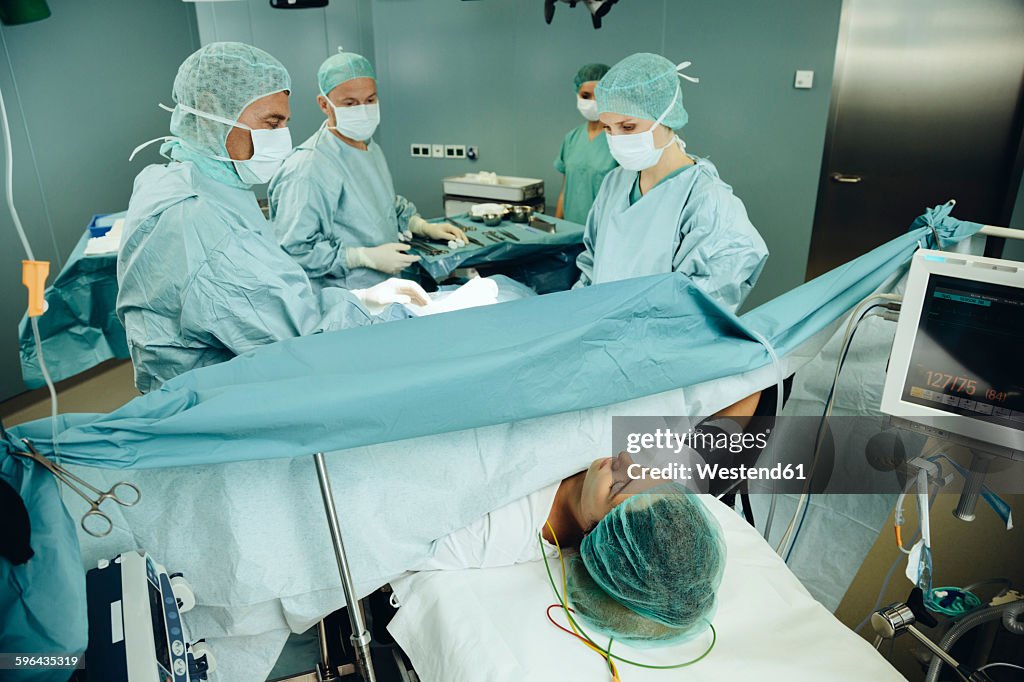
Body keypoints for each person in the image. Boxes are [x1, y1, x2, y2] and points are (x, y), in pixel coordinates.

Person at [118, 42, 428, 393]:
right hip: (211, 401)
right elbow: (299, 336)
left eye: (285, 122)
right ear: (210, 110)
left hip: (228, 378)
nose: (282, 137)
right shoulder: (197, 219)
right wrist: (366, 304)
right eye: (271, 122)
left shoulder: (189, 180)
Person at [573, 53, 769, 313]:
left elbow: (699, 308)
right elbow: (592, 266)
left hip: (655, 347)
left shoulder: (706, 200)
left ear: (665, 115)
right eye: (608, 128)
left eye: (628, 127)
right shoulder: (616, 182)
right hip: (600, 335)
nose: (616, 138)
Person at [269, 51, 466, 291]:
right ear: (324, 104)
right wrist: (361, 257)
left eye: (370, 100)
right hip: (347, 300)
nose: (363, 110)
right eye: (350, 103)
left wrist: (422, 226)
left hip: (388, 287)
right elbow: (295, 250)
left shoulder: (368, 147)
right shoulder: (309, 167)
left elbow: (382, 205)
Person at [553, 63, 618, 225]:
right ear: (577, 95)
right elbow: (564, 191)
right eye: (586, 96)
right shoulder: (572, 138)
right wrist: (556, 228)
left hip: (603, 232)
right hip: (569, 231)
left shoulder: (618, 139)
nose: (592, 101)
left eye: (599, 95)